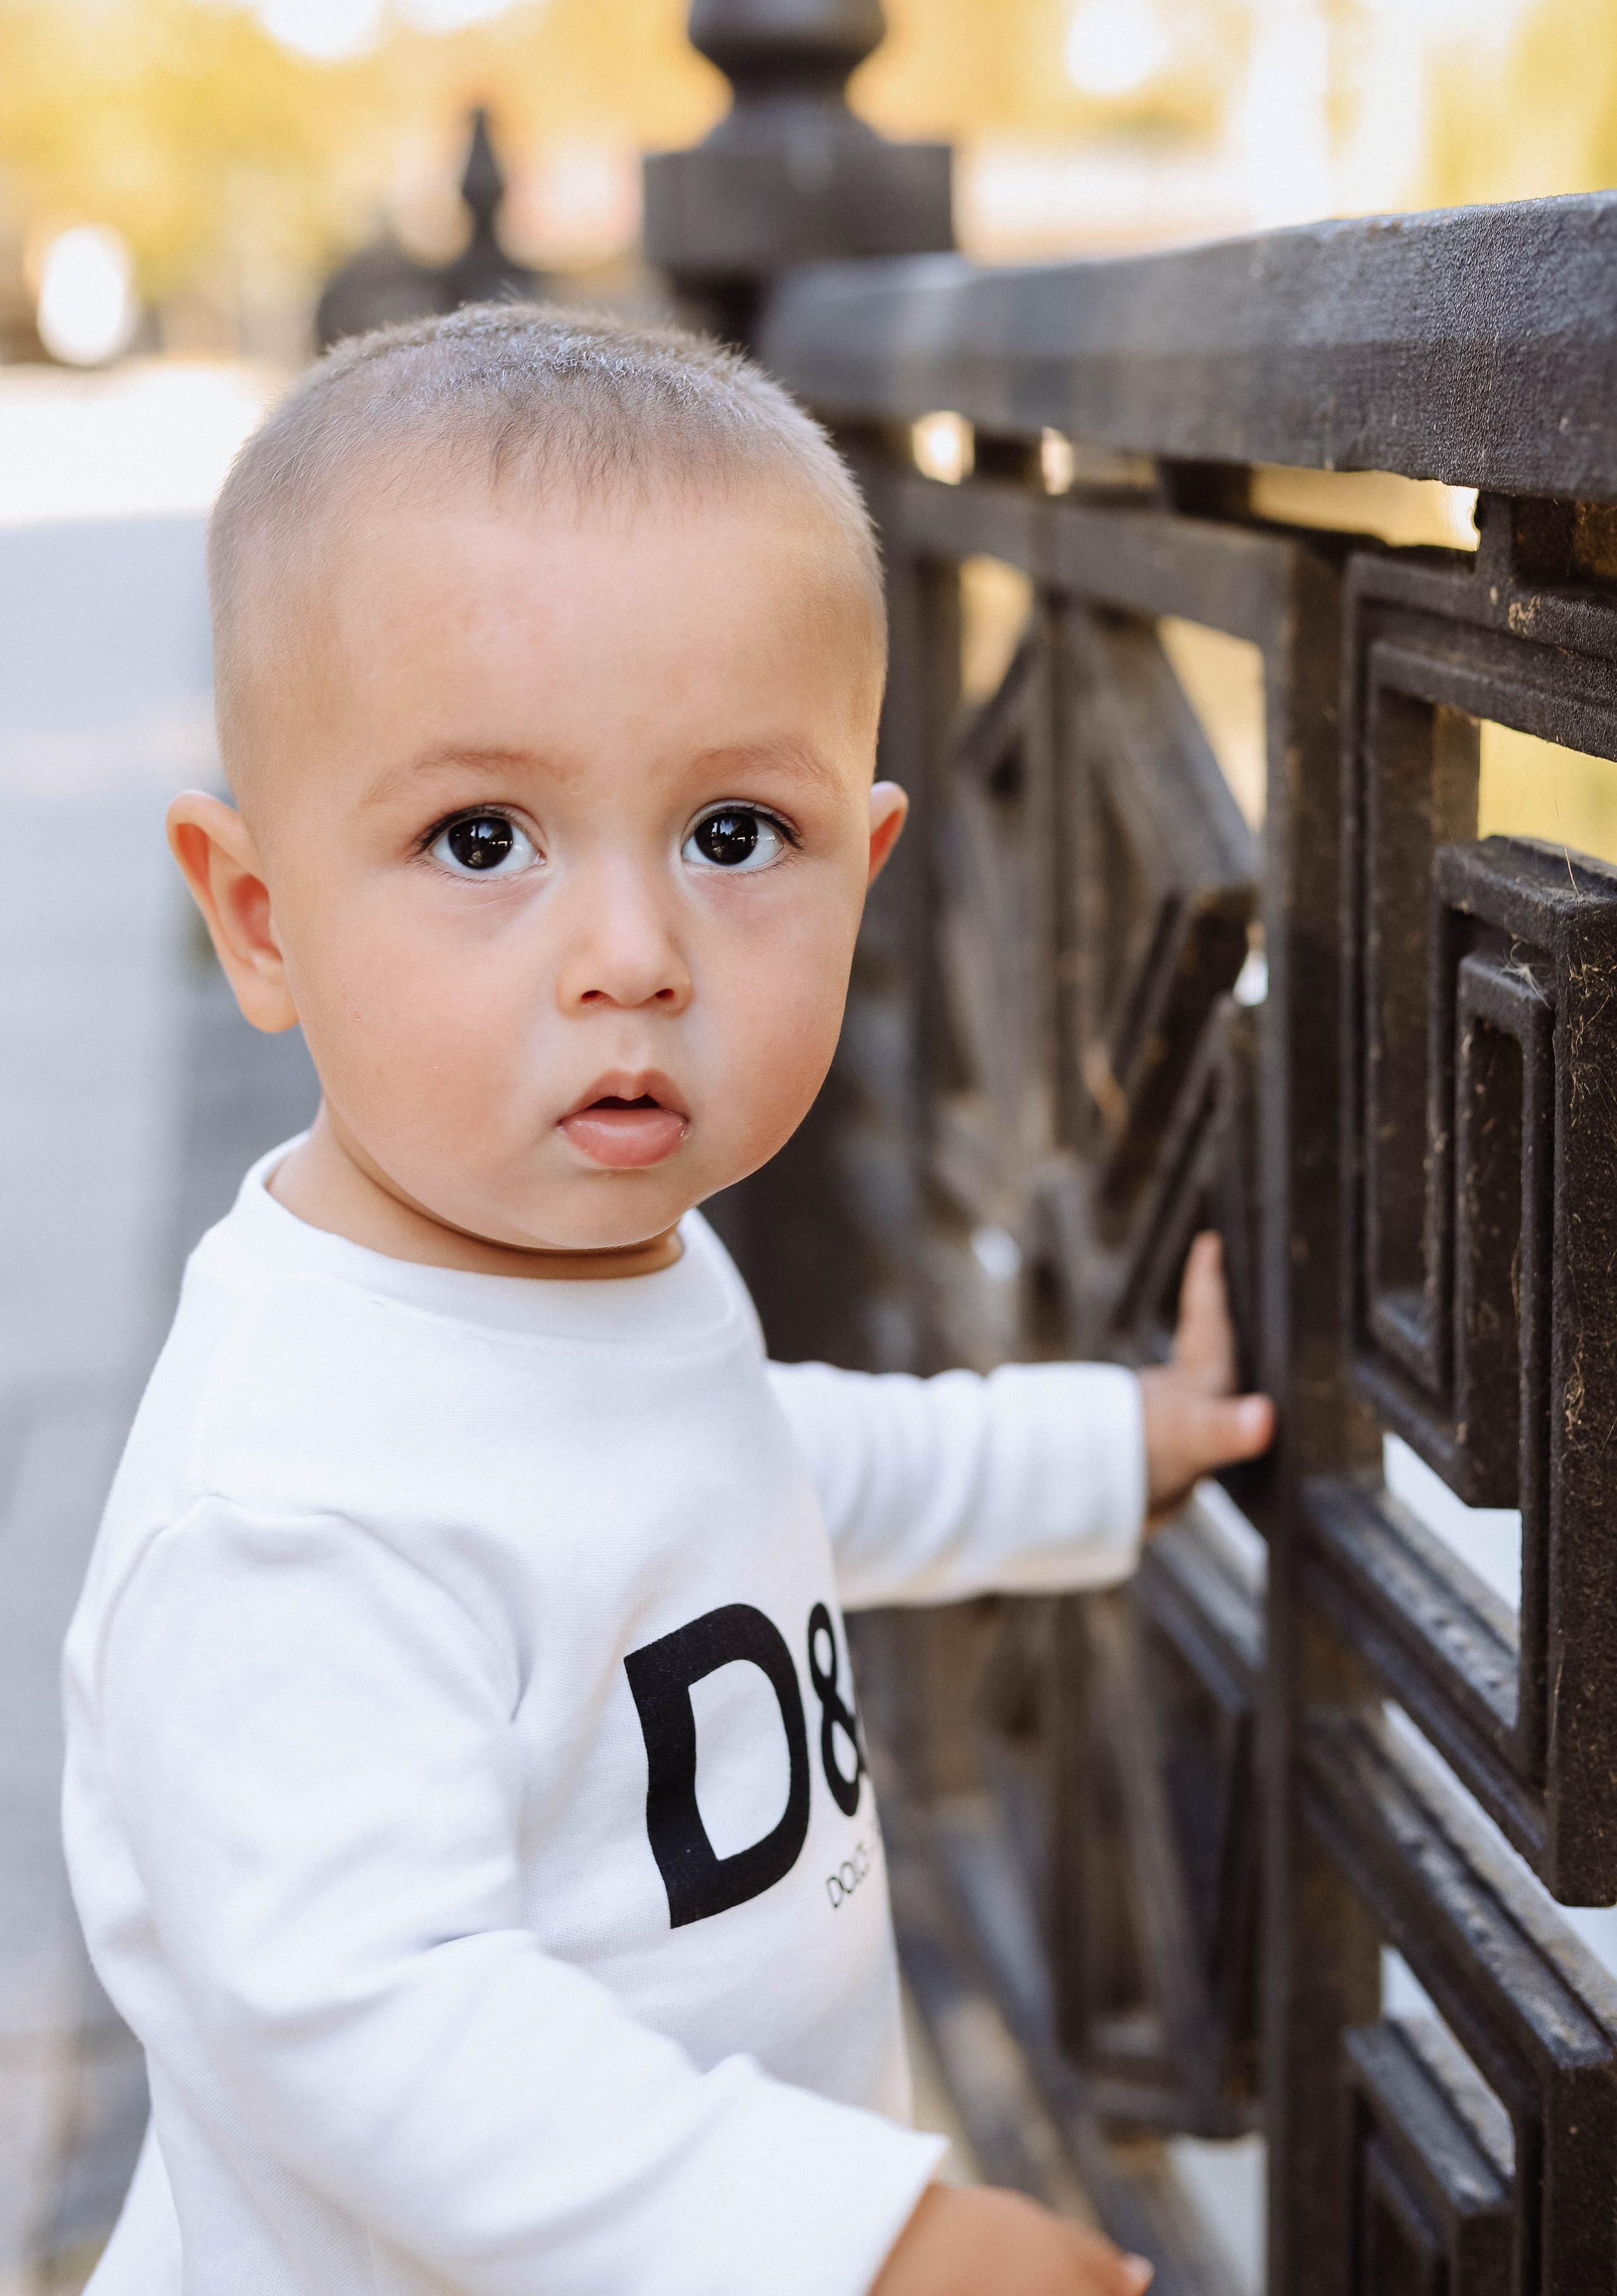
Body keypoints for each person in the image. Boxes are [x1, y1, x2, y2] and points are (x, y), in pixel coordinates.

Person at [62, 304, 1274, 2296]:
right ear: (260, 916)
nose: (632, 952)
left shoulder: (583, 1260)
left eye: (737, 836)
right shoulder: (287, 1504)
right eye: (482, 840)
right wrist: (856, 2241)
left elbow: (752, 1464)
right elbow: (384, 2028)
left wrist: (1100, 1441)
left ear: (866, 869)